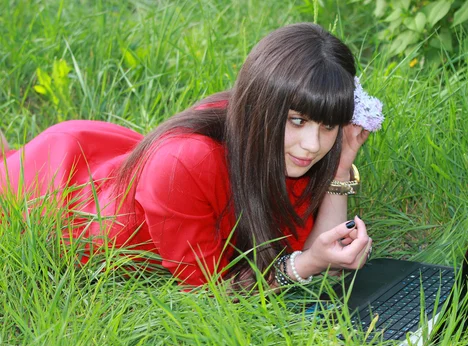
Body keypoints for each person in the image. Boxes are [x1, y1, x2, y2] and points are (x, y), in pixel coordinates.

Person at [0, 23, 383, 289]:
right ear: (261, 105)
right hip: (58, 193)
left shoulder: (280, 150)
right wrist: (303, 267)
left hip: (120, 162)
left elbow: (319, 252)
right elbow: (214, 293)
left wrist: (342, 162)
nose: (312, 145)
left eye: (328, 126)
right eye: (297, 120)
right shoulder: (186, 164)